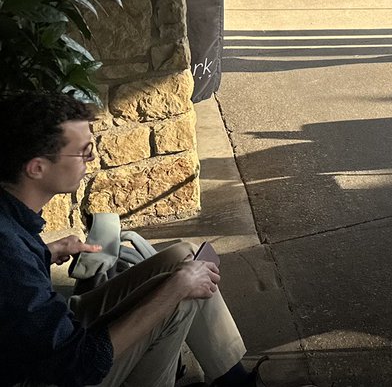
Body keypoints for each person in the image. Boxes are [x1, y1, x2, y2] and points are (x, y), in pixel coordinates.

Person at [0, 92, 303, 387]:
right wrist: (176, 288)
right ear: (37, 168)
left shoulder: (10, 221)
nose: (91, 160)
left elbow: (16, 289)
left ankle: (233, 379)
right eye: (84, 151)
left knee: (182, 256)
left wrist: (45, 252)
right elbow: (81, 365)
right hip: (53, 372)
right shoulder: (10, 253)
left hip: (55, 337)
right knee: (181, 295)